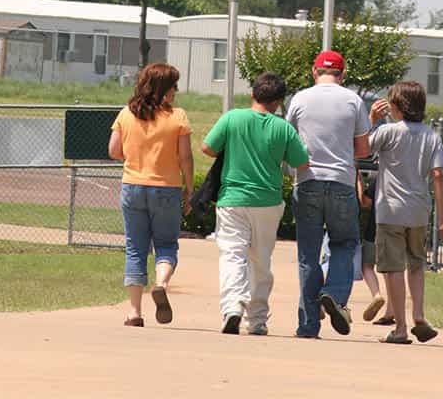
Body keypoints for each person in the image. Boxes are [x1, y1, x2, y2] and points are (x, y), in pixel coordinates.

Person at [202, 72, 309, 336]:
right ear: (279, 101)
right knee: (261, 261)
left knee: (232, 254)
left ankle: (232, 307)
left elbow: (207, 148)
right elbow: (301, 163)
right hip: (268, 201)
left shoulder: (233, 118)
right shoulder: (283, 127)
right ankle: (257, 319)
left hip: (233, 198)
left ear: (253, 94)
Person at [286, 49, 370, 339]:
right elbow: (363, 150)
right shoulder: (354, 101)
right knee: (345, 244)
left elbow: (288, 140)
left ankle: (308, 325)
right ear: (342, 74)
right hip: (342, 182)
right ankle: (334, 293)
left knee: (308, 255)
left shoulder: (299, 99)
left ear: (314, 71)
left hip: (306, 180)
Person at [108, 62, 193, 328]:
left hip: (132, 185)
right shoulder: (177, 116)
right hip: (166, 187)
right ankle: (161, 283)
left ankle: (134, 313)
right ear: (164, 89)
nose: (175, 91)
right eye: (173, 86)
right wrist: (189, 189)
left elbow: (114, 150)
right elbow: (186, 157)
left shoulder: (126, 114)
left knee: (135, 248)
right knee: (166, 244)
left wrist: (134, 153)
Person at [368, 80, 443, 345]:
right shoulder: (431, 135)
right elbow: (438, 174)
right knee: (416, 264)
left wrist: (372, 121)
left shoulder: (388, 132)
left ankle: (401, 328)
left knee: (392, 268)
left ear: (396, 106)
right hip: (419, 211)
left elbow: (362, 149)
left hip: (390, 211)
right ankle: (419, 314)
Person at [356, 171, 390, 324]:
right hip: (400, 226)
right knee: (392, 271)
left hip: (375, 228)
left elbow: (365, 202)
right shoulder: (408, 174)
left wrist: (359, 183)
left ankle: (376, 294)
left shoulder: (378, 177)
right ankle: (391, 311)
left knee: (367, 266)